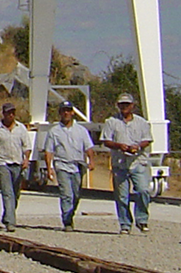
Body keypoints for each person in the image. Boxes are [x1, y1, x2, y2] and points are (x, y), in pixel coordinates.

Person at [100, 93, 154, 234]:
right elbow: (106, 140)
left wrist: (138, 146)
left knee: (143, 190)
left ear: (132, 106)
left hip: (137, 162)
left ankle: (142, 219)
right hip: (120, 163)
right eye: (122, 104)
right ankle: (125, 224)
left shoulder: (142, 122)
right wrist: (119, 146)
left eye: (127, 104)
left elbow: (147, 139)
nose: (124, 107)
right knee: (122, 196)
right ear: (118, 106)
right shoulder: (111, 122)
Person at [38, 101, 95, 230]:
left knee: (76, 194)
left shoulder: (81, 130)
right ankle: (67, 222)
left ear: (72, 112)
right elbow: (49, 150)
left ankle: (70, 214)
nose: (66, 113)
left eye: (68, 110)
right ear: (60, 113)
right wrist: (49, 168)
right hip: (62, 165)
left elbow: (88, 147)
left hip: (78, 165)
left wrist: (91, 160)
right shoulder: (54, 131)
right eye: (63, 110)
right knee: (66, 194)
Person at [0, 101, 33, 232]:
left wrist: (26, 160)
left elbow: (27, 146)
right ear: (4, 114)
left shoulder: (21, 128)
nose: (10, 115)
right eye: (8, 113)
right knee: (7, 193)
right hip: (3, 164)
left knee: (15, 193)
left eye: (13, 113)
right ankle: (10, 222)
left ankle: (7, 216)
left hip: (17, 164)